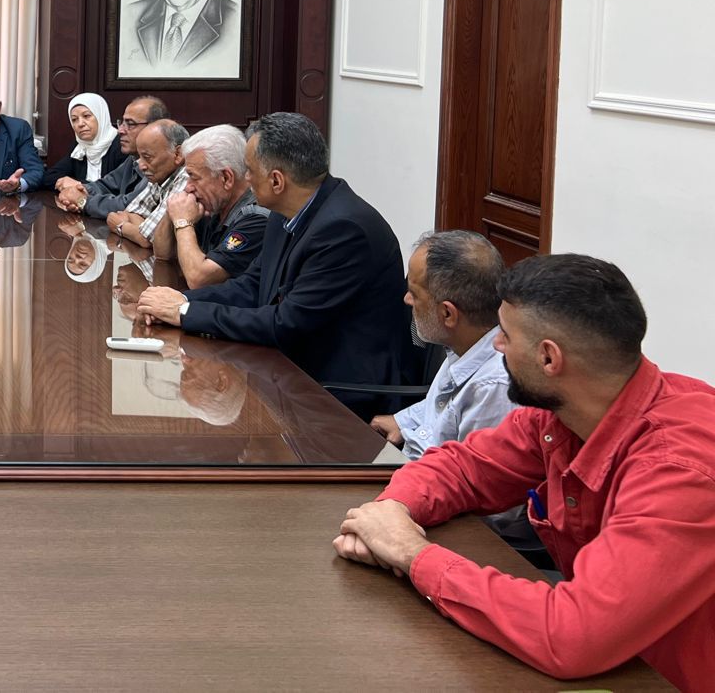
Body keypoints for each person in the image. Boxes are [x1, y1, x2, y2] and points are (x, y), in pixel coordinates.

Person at [332, 255, 715, 689]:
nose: (496, 346)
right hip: (621, 663)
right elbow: (464, 467)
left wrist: (411, 553)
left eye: (506, 335)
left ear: (548, 358)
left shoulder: (680, 470)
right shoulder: (564, 412)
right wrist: (392, 511)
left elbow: (573, 635)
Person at [136, 112, 414, 387]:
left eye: (250, 171)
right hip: (291, 371)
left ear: (277, 181)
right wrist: (179, 300)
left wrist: (185, 312)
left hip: (338, 389)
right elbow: (252, 286)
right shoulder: (285, 213)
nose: (245, 178)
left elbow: (287, 324)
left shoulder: (344, 230)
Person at [369, 230, 515, 458]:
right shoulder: (464, 345)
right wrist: (402, 420)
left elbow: (464, 473)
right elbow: (441, 409)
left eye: (414, 293)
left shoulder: (492, 389)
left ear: (447, 313)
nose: (407, 299)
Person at [163, 124, 270, 287]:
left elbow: (198, 279)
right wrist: (173, 209)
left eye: (194, 177)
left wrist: (182, 222)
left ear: (226, 178)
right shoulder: (212, 204)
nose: (188, 187)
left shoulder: (256, 218)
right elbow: (163, 254)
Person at [56, 96, 169, 220]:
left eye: (130, 124)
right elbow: (106, 185)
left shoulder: (161, 161)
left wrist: (83, 201)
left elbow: (130, 204)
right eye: (122, 123)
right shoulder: (133, 158)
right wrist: (81, 190)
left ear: (154, 127)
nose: (120, 130)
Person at [105, 120, 191, 253]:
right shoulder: (160, 175)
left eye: (147, 157)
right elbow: (131, 213)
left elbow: (151, 240)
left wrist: (121, 226)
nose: (141, 166)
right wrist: (142, 232)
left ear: (178, 154)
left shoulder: (188, 177)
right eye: (140, 157)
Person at [45, 93, 124, 187]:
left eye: (86, 116)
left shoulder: (121, 145)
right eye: (74, 119)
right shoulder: (80, 147)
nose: (80, 124)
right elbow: (50, 177)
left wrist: (79, 185)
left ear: (101, 116)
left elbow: (119, 186)